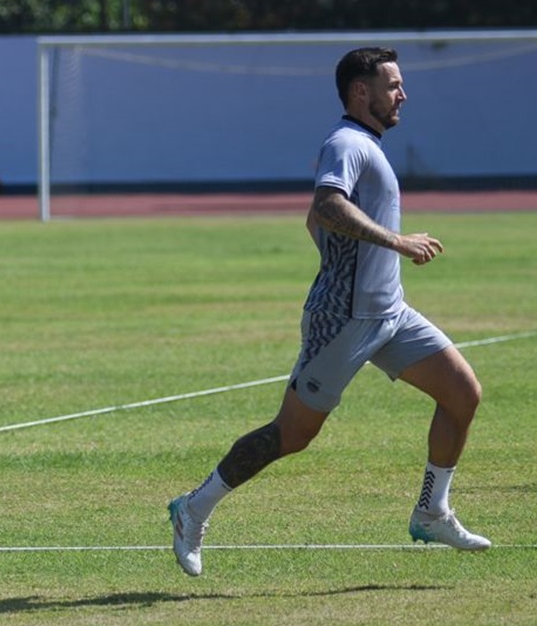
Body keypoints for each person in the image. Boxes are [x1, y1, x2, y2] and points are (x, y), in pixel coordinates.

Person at [167, 46, 490, 577]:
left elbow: (315, 223)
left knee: (462, 394)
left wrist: (358, 258)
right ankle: (192, 509)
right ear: (360, 93)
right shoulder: (346, 142)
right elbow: (326, 207)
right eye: (392, 85)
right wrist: (397, 242)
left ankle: (432, 511)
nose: (402, 94)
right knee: (290, 437)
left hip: (390, 313)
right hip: (343, 321)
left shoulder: (366, 145)